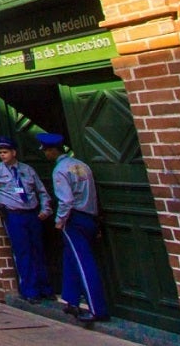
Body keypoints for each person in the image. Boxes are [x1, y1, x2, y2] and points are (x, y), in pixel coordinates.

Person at [38, 131, 108, 323]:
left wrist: (60, 220)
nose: (45, 154)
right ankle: (71, 299)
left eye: (46, 151)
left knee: (84, 263)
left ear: (53, 151)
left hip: (74, 219)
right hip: (89, 216)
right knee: (70, 256)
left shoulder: (60, 170)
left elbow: (66, 200)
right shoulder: (82, 166)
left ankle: (97, 309)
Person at [0, 136, 52, 303]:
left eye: (6, 152)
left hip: (32, 213)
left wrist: (45, 209)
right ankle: (30, 290)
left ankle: (45, 288)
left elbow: (41, 191)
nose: (3, 155)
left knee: (38, 250)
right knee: (23, 252)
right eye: (0, 152)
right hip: (15, 215)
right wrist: (4, 204)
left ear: (14, 152)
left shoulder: (27, 170)